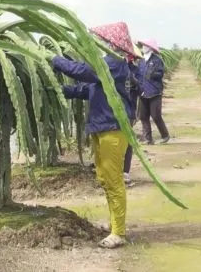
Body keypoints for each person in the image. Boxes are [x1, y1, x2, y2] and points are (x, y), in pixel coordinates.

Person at [49, 21, 137, 249]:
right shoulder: (109, 65)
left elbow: (86, 73)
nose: (99, 43)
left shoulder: (115, 63)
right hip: (101, 126)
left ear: (112, 43)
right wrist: (59, 90)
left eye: (103, 40)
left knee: (114, 180)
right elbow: (87, 90)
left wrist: (56, 61)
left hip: (112, 128)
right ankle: (114, 224)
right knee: (104, 178)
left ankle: (118, 232)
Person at [137, 38, 170, 145]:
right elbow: (138, 75)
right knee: (143, 116)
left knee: (155, 115)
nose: (143, 47)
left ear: (150, 48)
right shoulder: (141, 60)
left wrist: (153, 74)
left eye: (146, 46)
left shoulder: (157, 60)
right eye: (142, 46)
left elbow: (160, 74)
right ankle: (148, 138)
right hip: (143, 92)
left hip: (154, 92)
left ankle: (165, 135)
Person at [123, 48, 142, 186]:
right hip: (111, 110)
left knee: (127, 142)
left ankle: (125, 172)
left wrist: (133, 80)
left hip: (129, 110)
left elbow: (141, 89)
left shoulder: (135, 70)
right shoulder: (113, 66)